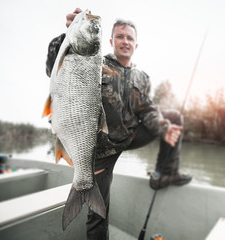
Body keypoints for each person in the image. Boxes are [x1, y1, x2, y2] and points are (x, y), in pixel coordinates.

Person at [45, 8, 192, 240]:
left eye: (130, 38)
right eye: (120, 36)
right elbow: (55, 65)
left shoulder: (142, 77)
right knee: (98, 212)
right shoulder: (92, 61)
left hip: (130, 135)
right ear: (111, 41)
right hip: (102, 147)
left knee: (172, 117)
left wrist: (163, 128)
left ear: (136, 44)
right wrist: (66, 37)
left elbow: (148, 110)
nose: (125, 41)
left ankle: (164, 174)